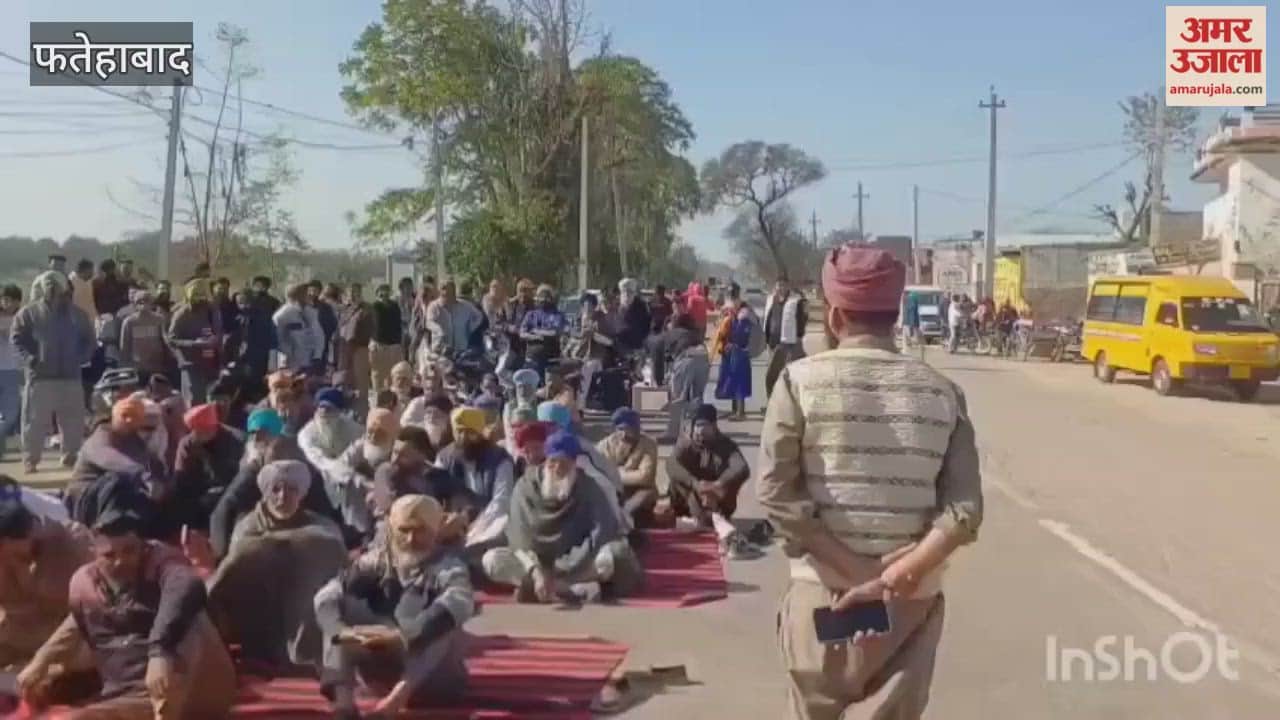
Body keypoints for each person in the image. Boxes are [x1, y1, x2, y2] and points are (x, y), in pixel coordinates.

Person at [756, 244, 983, 720]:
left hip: (824, 599)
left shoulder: (797, 382)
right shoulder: (944, 392)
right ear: (895, 313)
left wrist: (857, 573)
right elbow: (964, 511)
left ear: (835, 316)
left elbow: (775, 493)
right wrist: (896, 575)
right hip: (908, 609)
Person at [18, 483, 237, 720]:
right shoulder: (86, 580)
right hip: (122, 679)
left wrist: (160, 651)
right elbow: (78, 621)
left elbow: (185, 589)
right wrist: (42, 660)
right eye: (109, 555)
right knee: (46, 684)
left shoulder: (163, 564)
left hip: (173, 684)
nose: (120, 562)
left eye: (129, 551)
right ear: (93, 549)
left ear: (142, 544)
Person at [314, 494, 474, 717]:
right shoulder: (375, 562)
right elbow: (326, 595)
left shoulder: (448, 567)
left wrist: (403, 637)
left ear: (435, 531)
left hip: (431, 680)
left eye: (420, 530)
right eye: (404, 530)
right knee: (337, 606)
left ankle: (393, 703)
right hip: (379, 673)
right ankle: (344, 705)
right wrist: (340, 631)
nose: (410, 539)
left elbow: (460, 602)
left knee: (445, 622)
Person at [208, 459, 347, 668]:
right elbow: (234, 565)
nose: (283, 497)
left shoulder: (322, 526)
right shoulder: (248, 527)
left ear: (301, 494)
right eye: (276, 490)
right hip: (259, 609)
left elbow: (336, 556)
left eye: (291, 490)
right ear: (265, 493)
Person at [482, 431, 642, 604]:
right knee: (492, 560)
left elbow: (601, 532)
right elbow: (520, 539)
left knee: (610, 557)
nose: (557, 468)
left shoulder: (589, 487)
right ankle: (568, 589)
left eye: (564, 463)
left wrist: (565, 565)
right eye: (553, 462)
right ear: (545, 460)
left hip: (576, 561)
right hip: (535, 562)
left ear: (574, 462)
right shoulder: (525, 487)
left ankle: (550, 588)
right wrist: (536, 571)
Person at [208, 410, 342, 559]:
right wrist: (223, 556)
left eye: (262, 434)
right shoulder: (254, 469)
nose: (257, 439)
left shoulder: (305, 471)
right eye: (253, 434)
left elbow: (324, 512)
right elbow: (224, 509)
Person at [0, 483, 90, 684]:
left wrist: (43, 658)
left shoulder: (75, 543)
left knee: (84, 659)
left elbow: (88, 612)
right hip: (19, 633)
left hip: (70, 636)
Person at [12, 271, 96, 473]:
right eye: (47, 284)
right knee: (34, 421)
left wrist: (80, 357)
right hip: (40, 377)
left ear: (63, 287)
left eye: (55, 284)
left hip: (71, 376)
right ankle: (31, 459)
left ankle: (70, 456)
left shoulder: (78, 315)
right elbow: (17, 340)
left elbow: (90, 341)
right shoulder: (28, 313)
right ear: (41, 288)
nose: (51, 287)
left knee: (73, 420)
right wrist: (30, 359)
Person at [665, 404, 756, 558]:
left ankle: (713, 521)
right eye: (697, 425)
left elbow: (742, 468)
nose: (700, 430)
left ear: (714, 426)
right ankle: (693, 518)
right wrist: (695, 484)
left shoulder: (726, 445)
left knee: (711, 518)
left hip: (716, 498)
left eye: (704, 425)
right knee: (676, 479)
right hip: (692, 494)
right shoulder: (686, 443)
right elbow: (671, 465)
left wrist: (718, 484)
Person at [434, 407, 515, 565]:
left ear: (480, 432)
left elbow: (501, 502)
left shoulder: (500, 459)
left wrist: (472, 529)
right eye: (459, 432)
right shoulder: (444, 458)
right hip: (453, 524)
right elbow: (436, 494)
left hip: (487, 523)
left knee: (503, 523)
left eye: (470, 432)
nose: (464, 437)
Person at [368, 426, 472, 528]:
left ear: (422, 455)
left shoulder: (439, 477)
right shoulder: (386, 472)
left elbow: (466, 500)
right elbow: (394, 508)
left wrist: (461, 516)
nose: (395, 460)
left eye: (404, 455)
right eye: (395, 452)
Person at [326, 408, 399, 537]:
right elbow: (337, 469)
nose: (373, 437)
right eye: (370, 431)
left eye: (380, 433)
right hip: (356, 514)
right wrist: (359, 479)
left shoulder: (396, 453)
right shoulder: (360, 447)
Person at [171, 403, 244, 531]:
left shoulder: (236, 441)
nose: (197, 434)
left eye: (202, 430)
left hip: (228, 490)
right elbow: (181, 478)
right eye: (195, 430)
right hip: (200, 492)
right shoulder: (188, 444)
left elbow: (240, 477)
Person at [649, 297, 710, 442]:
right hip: (703, 357)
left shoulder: (667, 335)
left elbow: (657, 356)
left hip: (686, 358)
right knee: (697, 397)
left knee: (677, 397)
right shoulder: (691, 333)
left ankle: (673, 433)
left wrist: (658, 381)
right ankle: (698, 431)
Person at [598, 407, 667, 528]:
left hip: (639, 492)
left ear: (636, 429)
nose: (624, 434)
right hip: (614, 492)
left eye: (628, 429)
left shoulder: (649, 444)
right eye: (620, 429)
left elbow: (645, 477)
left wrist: (616, 474)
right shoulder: (604, 446)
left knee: (645, 495)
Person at [167, 279, 222, 405]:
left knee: (212, 401)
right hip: (191, 364)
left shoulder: (212, 310)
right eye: (196, 294)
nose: (200, 298)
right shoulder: (182, 313)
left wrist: (215, 339)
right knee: (194, 400)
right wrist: (194, 343)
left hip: (211, 362)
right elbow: (171, 339)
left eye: (202, 293)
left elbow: (218, 332)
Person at [298, 388, 364, 484]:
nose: (323, 411)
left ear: (339, 412)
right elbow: (322, 462)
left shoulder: (350, 426)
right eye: (320, 407)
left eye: (329, 408)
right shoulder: (306, 434)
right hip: (319, 482)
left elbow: (364, 441)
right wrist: (351, 474)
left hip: (353, 478)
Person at [713, 284, 753, 421]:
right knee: (732, 379)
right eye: (731, 294)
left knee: (740, 381)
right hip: (731, 351)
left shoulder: (744, 312)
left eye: (734, 294)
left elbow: (742, 332)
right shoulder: (731, 310)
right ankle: (735, 410)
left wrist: (734, 344)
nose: (732, 298)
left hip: (740, 351)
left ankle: (740, 412)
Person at [764, 278, 808, 399]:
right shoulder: (771, 302)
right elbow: (768, 321)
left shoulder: (795, 301)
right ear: (775, 287)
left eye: (783, 285)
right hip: (772, 344)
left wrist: (799, 337)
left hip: (787, 345)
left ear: (788, 286)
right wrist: (766, 340)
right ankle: (772, 402)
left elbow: (801, 320)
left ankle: (788, 402)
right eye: (778, 286)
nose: (780, 288)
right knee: (772, 378)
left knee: (783, 376)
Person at [570, 292, 616, 404]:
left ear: (595, 307)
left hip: (597, 358)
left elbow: (610, 342)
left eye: (590, 306)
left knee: (587, 367)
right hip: (578, 355)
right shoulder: (577, 319)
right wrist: (580, 335)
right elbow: (572, 336)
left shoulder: (601, 319)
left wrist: (594, 335)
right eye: (585, 306)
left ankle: (580, 404)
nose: (587, 309)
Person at [119, 290, 172, 386]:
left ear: (151, 303)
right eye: (140, 301)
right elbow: (124, 347)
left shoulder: (159, 320)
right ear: (135, 304)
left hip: (157, 367)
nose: (143, 304)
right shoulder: (129, 322)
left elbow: (165, 341)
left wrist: (167, 361)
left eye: (146, 300)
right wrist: (125, 368)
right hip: (137, 368)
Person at [338, 283, 374, 418]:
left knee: (361, 385)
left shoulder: (366, 309)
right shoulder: (345, 310)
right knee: (346, 381)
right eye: (350, 292)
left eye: (356, 292)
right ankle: (348, 413)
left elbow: (369, 329)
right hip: (344, 350)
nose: (353, 295)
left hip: (360, 348)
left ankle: (362, 415)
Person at [426, 280, 484, 361]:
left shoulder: (464, 306)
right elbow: (429, 322)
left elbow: (479, 316)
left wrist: (470, 328)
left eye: (449, 292)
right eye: (443, 291)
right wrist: (439, 330)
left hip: (461, 351)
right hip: (440, 352)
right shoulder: (434, 306)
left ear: (454, 293)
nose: (446, 294)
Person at [518, 284, 566, 381]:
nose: (543, 299)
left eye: (546, 296)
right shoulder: (531, 314)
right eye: (541, 296)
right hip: (532, 359)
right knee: (531, 384)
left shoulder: (557, 315)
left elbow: (555, 332)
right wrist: (535, 337)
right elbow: (522, 333)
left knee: (550, 385)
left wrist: (535, 331)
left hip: (551, 360)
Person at [274, 283, 316, 375]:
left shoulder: (308, 312)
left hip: (306, 360)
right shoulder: (284, 314)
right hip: (291, 363)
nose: (310, 295)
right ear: (298, 296)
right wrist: (290, 354)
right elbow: (279, 340)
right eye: (306, 293)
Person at [0, 286, 22, 460]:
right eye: (3, 300)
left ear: (17, 302)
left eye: (9, 300)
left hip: (13, 370)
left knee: (11, 413)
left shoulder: (21, 318)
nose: (5, 303)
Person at [370, 284, 403, 392]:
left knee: (393, 374)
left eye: (386, 290)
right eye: (381, 291)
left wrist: (399, 343)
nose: (384, 293)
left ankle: (390, 397)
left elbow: (398, 325)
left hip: (394, 345)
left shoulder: (395, 306)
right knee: (377, 374)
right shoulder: (374, 306)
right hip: (379, 344)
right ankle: (378, 396)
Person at [69, 259, 98, 323]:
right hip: (76, 321)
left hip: (90, 320)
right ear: (85, 271)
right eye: (91, 271)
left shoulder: (89, 281)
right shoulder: (71, 283)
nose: (93, 274)